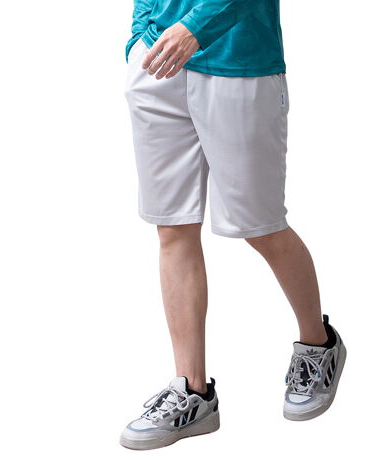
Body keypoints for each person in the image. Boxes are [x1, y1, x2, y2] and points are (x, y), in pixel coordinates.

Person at [120, 0, 347, 451]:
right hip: (158, 62)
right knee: (173, 228)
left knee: (261, 228)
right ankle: (193, 391)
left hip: (240, 65)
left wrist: (194, 27)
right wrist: (140, 36)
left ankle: (319, 345)